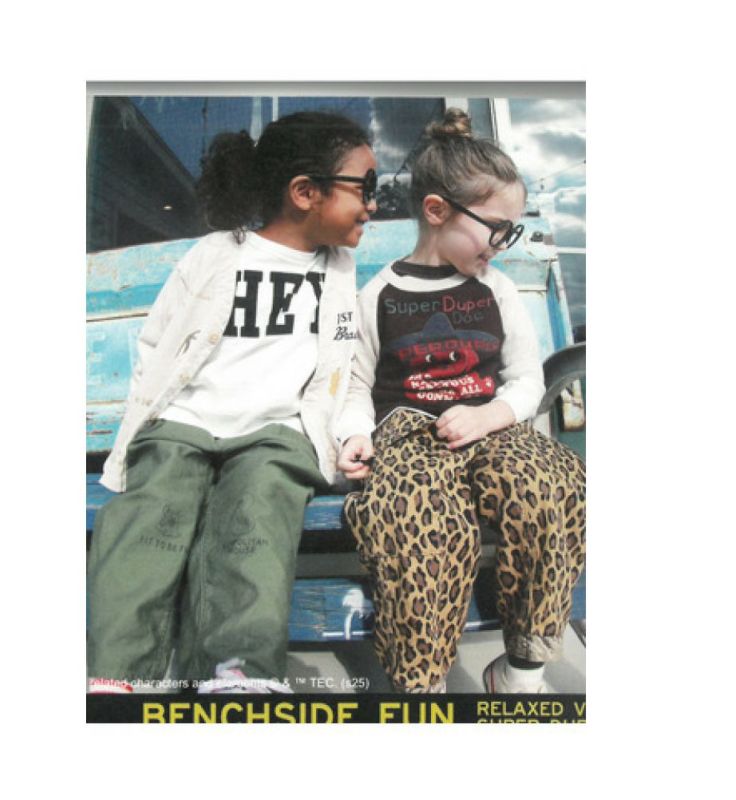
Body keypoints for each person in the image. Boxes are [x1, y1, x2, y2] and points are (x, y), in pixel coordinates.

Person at [87, 111, 377, 694]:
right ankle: (119, 674)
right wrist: (146, 420)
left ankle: (237, 673)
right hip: (185, 422)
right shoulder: (217, 254)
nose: (372, 204)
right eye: (364, 187)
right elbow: (158, 343)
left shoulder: (339, 273)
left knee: (257, 524)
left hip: (276, 433)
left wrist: (351, 431)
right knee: (147, 521)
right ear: (305, 192)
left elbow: (345, 369)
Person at [335, 108, 585, 694]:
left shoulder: (496, 288)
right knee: (414, 523)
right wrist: (354, 433)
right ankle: (422, 687)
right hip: (407, 434)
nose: (503, 244)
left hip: (491, 426)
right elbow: (355, 384)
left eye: (511, 231)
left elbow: (525, 379)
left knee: (553, 485)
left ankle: (520, 670)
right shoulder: (379, 295)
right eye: (497, 228)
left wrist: (491, 414)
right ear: (436, 211)